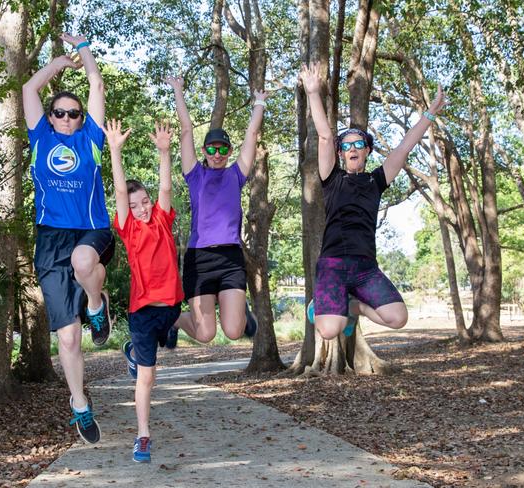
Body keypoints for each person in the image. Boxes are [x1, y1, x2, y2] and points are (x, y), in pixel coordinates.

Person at [299, 63, 446, 340]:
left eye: (358, 145)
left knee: (398, 318)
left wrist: (430, 114)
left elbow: (404, 147)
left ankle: (355, 307)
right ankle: (330, 305)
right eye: (346, 146)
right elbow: (324, 135)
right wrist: (313, 92)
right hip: (332, 264)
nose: (352, 149)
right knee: (329, 332)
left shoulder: (375, 181)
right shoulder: (332, 178)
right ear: (341, 154)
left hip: (365, 267)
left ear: (367, 151)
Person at [22, 33, 114, 444]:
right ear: (50, 116)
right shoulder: (40, 138)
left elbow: (97, 84)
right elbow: (28, 88)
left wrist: (82, 48)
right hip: (50, 240)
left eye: (72, 114)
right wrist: (59, 61)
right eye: (58, 113)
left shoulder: (90, 139)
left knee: (83, 262)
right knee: (68, 337)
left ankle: (97, 304)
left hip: (90, 230)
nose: (65, 119)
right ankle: (79, 403)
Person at [103, 119, 184, 463]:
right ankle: (143, 436)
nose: (140, 207)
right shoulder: (128, 229)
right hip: (142, 311)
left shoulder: (162, 219)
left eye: (144, 201)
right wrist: (115, 151)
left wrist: (165, 152)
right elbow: (121, 193)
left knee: (195, 325)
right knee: (148, 378)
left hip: (171, 307)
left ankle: (135, 351)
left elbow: (166, 189)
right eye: (134, 205)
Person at [164, 76, 267, 347]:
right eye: (212, 148)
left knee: (234, 332)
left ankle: (240, 311)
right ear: (204, 151)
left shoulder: (237, 174)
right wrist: (178, 90)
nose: (217, 154)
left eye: (223, 149)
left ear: (229, 151)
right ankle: (175, 319)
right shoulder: (195, 175)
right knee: (205, 334)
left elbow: (252, 135)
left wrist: (259, 103)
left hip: (230, 257)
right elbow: (186, 129)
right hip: (200, 260)